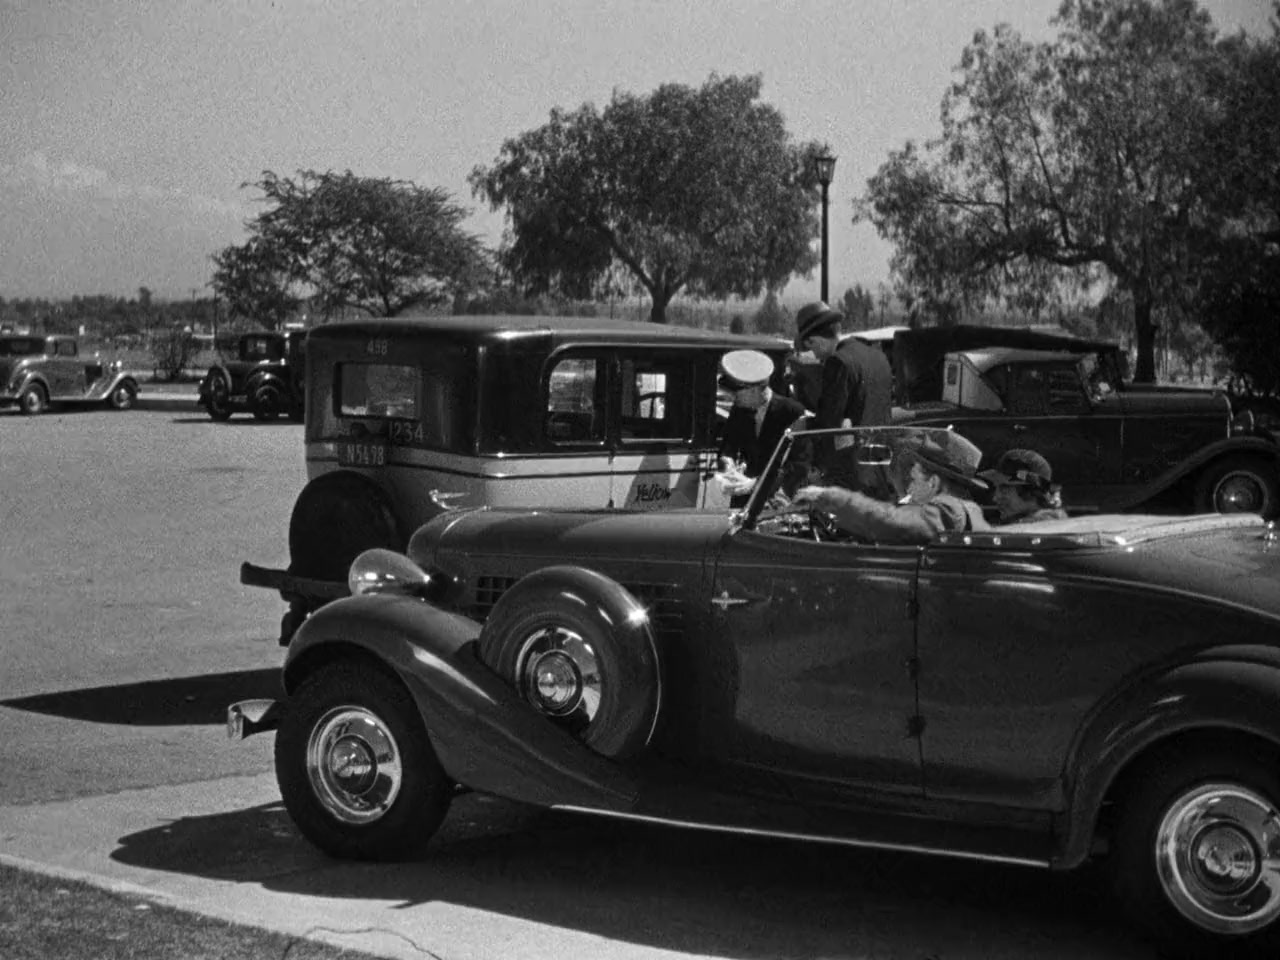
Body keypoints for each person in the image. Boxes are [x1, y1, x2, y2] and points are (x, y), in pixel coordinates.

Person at [794, 430, 990, 544]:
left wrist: (831, 498)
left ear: (933, 482)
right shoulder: (965, 508)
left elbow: (890, 523)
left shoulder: (948, 511)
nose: (908, 486)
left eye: (913, 479)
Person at [794, 301, 893, 468]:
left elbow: (829, 421)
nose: (815, 354)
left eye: (811, 346)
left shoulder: (837, 362)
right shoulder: (878, 356)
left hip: (851, 466)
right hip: (882, 461)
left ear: (815, 339)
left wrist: (804, 424)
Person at [717, 349, 808, 504]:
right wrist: (728, 463)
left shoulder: (792, 412)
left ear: (753, 391)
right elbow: (729, 444)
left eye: (737, 395)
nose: (733, 400)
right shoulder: (739, 409)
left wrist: (757, 484)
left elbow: (798, 464)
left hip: (779, 498)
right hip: (743, 496)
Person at [979, 449, 1068, 523]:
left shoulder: (1040, 529)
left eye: (1004, 490)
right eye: (997, 489)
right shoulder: (1024, 524)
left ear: (1030, 493)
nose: (995, 498)